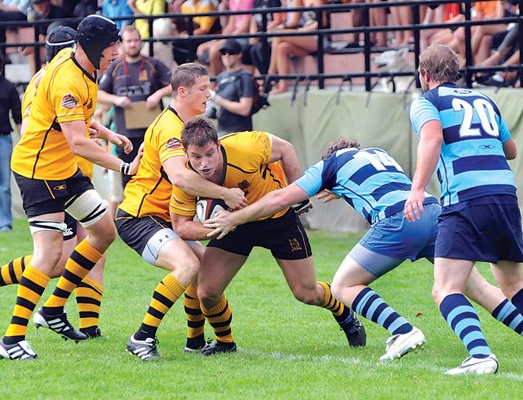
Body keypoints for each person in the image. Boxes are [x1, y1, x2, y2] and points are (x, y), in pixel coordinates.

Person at [205, 136, 523, 361]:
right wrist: (340, 189)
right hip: (432, 210)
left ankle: (403, 330)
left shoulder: (328, 164)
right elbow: (374, 184)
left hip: (399, 220)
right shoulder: (378, 154)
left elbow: (280, 199)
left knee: (344, 285)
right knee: (475, 286)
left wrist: (237, 218)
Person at [0, 15, 142, 361]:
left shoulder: (78, 65)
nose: (117, 52)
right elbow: (76, 141)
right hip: (40, 173)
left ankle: (54, 308)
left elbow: (73, 119)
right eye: (112, 46)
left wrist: (107, 133)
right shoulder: (67, 79)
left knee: (104, 232)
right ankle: (12, 338)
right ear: (92, 47)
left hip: (65, 171)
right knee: (48, 257)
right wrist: (122, 165)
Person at [169, 117, 366, 356]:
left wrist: (298, 192)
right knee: (207, 292)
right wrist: (216, 228)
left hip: (277, 219)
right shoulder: (186, 178)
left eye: (210, 154)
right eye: (196, 157)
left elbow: (286, 149)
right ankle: (225, 342)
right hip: (235, 225)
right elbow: (181, 226)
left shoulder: (245, 146)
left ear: (219, 145)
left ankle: (344, 314)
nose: (204, 164)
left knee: (306, 292)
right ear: (186, 154)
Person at [115, 62, 248, 362]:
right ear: (183, 91)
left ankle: (200, 342)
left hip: (163, 218)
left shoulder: (182, 125)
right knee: (188, 266)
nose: (210, 93)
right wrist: (227, 194)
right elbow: (180, 177)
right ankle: (142, 337)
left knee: (205, 276)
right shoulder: (171, 129)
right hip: (140, 217)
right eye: (203, 88)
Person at [404, 44, 523, 375]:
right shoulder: (485, 100)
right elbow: (510, 150)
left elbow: (432, 139)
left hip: (466, 198)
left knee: (444, 288)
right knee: (513, 285)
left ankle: (481, 356)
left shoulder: (427, 102)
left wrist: (416, 190)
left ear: (425, 75)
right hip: (505, 195)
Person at [98, 24, 172, 188]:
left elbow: (175, 84)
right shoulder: (114, 67)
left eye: (136, 40)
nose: (133, 44)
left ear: (141, 42)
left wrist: (159, 94)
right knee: (130, 180)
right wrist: (116, 99)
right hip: (126, 136)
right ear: (121, 44)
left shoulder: (153, 64)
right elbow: (99, 94)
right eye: (129, 41)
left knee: (158, 177)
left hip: (152, 133)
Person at [0, 46, 21, 232]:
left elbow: (18, 117)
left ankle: (4, 224)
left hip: (3, 140)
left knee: (4, 185)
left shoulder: (8, 87)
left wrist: (24, 140)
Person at [207, 39, 254, 136]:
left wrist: (217, 99)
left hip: (240, 133)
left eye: (231, 52)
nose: (227, 56)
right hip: (221, 130)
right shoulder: (221, 77)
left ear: (239, 55)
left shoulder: (245, 77)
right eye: (224, 53)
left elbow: (245, 109)